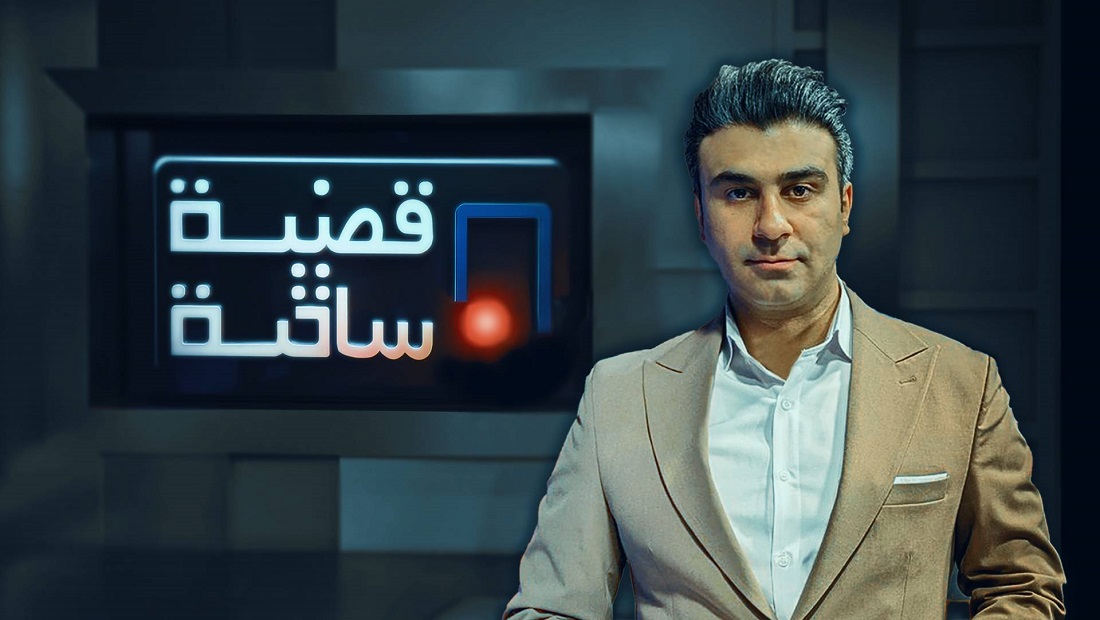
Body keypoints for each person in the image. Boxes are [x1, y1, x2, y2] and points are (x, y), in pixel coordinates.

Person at [503, 59, 1065, 619]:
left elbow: (1022, 587)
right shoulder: (620, 396)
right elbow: (551, 608)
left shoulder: (958, 383)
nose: (771, 225)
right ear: (701, 216)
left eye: (799, 190)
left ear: (844, 205)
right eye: (738, 193)